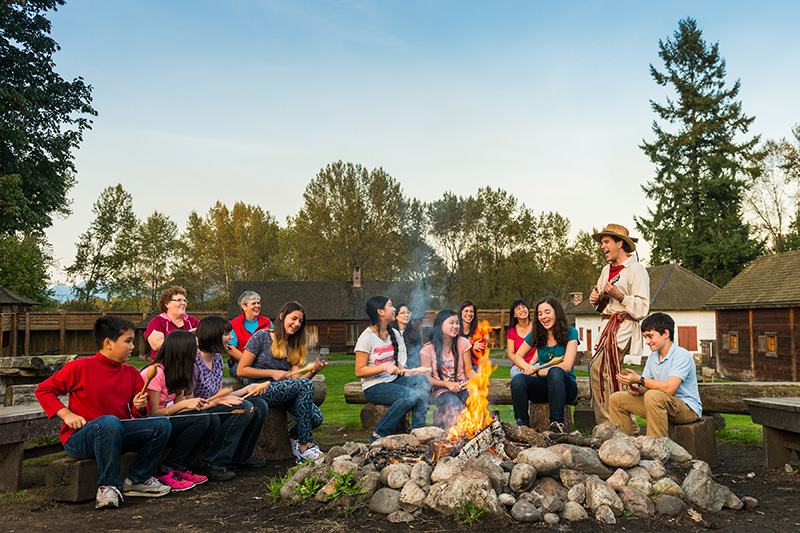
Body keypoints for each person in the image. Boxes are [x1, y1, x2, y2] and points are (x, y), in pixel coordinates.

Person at [35, 316, 171, 509]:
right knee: (109, 422)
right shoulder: (79, 367)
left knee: (161, 424)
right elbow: (43, 390)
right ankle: (108, 486)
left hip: (117, 434)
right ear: (108, 343)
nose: (133, 346)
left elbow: (139, 411)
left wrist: (139, 406)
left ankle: (138, 480)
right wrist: (66, 414)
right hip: (80, 439)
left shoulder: (131, 373)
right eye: (128, 341)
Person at [237, 301, 326, 463]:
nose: (297, 324)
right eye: (293, 319)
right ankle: (305, 445)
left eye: (300, 321)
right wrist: (272, 373)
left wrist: (313, 372)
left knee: (316, 417)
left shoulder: (295, 344)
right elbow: (241, 370)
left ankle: (292, 439)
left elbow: (297, 382)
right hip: (259, 390)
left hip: (282, 392)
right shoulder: (261, 337)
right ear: (281, 316)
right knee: (305, 390)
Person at [192, 315, 269, 481]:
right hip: (199, 412)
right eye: (227, 334)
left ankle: (241, 456)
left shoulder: (218, 359)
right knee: (244, 408)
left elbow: (219, 395)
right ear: (214, 335)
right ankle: (212, 462)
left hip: (214, 405)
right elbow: (191, 402)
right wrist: (222, 401)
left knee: (259, 405)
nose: (231, 337)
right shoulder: (194, 363)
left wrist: (248, 389)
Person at [587, 223, 650, 427]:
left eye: (606, 242)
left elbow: (642, 308)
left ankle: (618, 425)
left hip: (623, 327)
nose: (602, 246)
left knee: (607, 372)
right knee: (598, 371)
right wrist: (596, 298)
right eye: (602, 242)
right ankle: (611, 424)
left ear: (620, 243)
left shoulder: (637, 270)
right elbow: (601, 301)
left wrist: (620, 296)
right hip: (607, 328)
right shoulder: (606, 270)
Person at [142, 330, 216, 491]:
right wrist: (184, 406)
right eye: (195, 347)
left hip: (167, 420)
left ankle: (181, 467)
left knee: (212, 419)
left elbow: (180, 402)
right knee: (201, 419)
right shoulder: (157, 373)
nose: (199, 351)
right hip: (152, 425)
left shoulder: (182, 370)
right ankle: (166, 470)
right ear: (183, 350)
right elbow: (153, 412)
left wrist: (195, 405)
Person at [609, 313, 702, 437]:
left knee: (653, 395)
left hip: (686, 409)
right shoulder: (653, 356)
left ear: (666, 334)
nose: (647, 342)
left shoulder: (681, 355)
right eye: (645, 337)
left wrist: (639, 379)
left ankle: (656, 449)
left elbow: (670, 388)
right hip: (659, 403)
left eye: (650, 336)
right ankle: (625, 446)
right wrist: (637, 387)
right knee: (616, 399)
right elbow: (646, 386)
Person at [355, 295, 430, 442]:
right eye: (390, 305)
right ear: (380, 312)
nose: (394, 308)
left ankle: (417, 431)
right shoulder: (366, 337)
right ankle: (380, 433)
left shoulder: (393, 333)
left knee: (422, 382)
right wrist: (383, 367)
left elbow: (397, 363)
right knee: (409, 395)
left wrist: (408, 372)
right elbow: (359, 371)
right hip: (373, 387)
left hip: (393, 381)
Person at [508, 297, 579, 433]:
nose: (543, 317)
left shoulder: (571, 333)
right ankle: (522, 427)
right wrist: (527, 366)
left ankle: (556, 425)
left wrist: (538, 372)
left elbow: (567, 366)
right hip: (543, 388)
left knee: (556, 371)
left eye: (547, 312)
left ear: (556, 313)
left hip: (565, 389)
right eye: (540, 314)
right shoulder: (536, 335)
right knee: (518, 380)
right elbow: (517, 356)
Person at [419, 310, 476, 430]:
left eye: (457, 323)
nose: (456, 326)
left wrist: (478, 377)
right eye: (451, 323)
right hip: (443, 392)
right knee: (458, 410)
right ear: (440, 325)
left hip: (463, 388)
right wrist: (447, 384)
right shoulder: (428, 349)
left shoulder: (463, 343)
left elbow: (469, 370)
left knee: (477, 405)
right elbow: (427, 379)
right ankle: (457, 439)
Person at [144, 286, 200, 362]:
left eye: (185, 300)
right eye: (179, 300)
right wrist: (186, 339)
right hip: (164, 368)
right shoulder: (158, 321)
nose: (183, 303)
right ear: (167, 304)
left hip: (188, 368)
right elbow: (156, 345)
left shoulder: (192, 321)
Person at [226, 291, 272, 378]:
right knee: (253, 381)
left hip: (264, 365)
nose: (257, 306)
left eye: (258, 303)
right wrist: (250, 362)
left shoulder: (267, 322)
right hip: (239, 364)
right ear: (244, 306)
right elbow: (231, 348)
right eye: (253, 303)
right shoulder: (234, 324)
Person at [506, 299, 534, 378]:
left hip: (536, 362)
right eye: (518, 309)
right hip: (519, 365)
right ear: (514, 315)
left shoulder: (536, 327)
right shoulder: (511, 331)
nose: (522, 310)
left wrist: (530, 364)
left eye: (524, 307)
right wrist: (522, 364)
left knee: (534, 374)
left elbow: (541, 348)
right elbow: (511, 353)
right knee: (516, 374)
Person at [392, 303, 423, 369]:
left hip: (410, 368)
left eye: (408, 313)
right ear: (396, 316)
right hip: (395, 369)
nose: (406, 315)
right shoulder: (391, 333)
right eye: (403, 313)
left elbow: (418, 352)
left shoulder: (414, 333)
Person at [458, 300, 486, 369]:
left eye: (471, 311)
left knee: (481, 372)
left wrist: (476, 350)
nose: (469, 314)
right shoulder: (455, 330)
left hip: (474, 365)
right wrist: (472, 347)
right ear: (461, 313)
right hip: (458, 365)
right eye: (466, 311)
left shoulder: (479, 331)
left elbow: (482, 353)